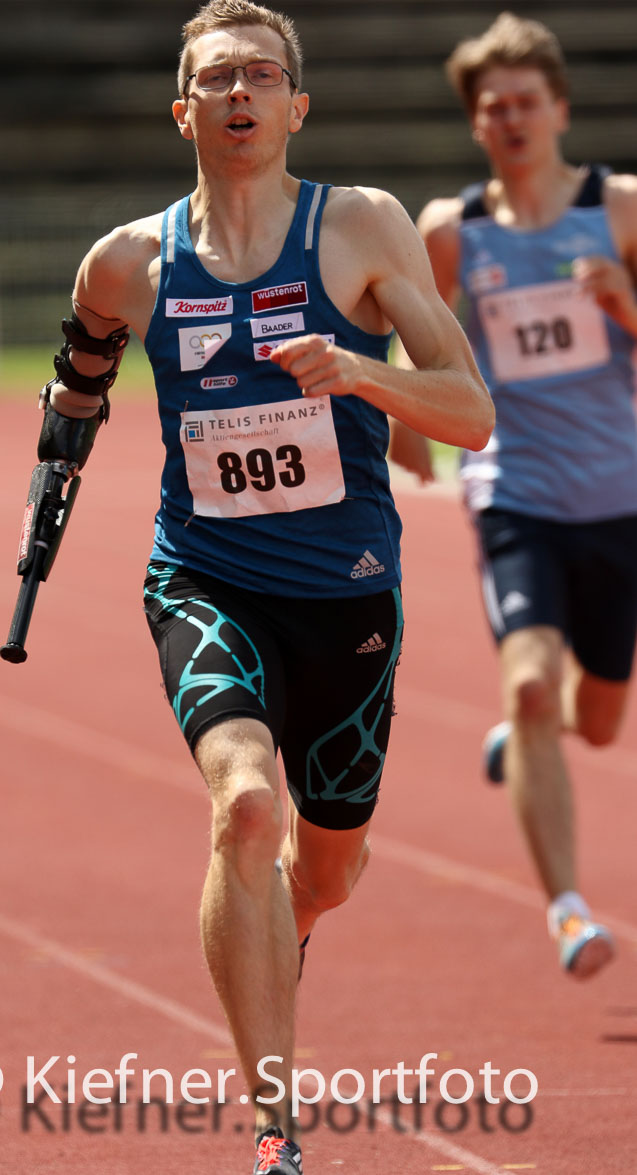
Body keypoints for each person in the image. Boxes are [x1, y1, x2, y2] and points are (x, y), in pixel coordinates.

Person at [31, 2, 492, 1170]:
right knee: (243, 803)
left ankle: (284, 918)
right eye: (215, 78)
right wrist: (61, 447)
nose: (239, 94)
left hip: (345, 592)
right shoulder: (130, 261)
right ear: (181, 108)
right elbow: (79, 365)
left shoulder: (361, 231)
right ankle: (275, 1132)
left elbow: (469, 408)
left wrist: (358, 373)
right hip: (204, 575)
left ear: (297, 105)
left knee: (323, 866)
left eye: (261, 76)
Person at [390, 12, 637, 980]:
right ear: (474, 125)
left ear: (558, 109)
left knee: (599, 717)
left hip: (618, 495)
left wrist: (624, 300)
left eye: (525, 102)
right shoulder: (450, 232)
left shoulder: (618, 209)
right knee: (531, 684)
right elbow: (415, 335)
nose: (510, 118)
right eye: (492, 108)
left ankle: (523, 734)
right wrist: (407, 421)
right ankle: (567, 907)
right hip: (514, 489)